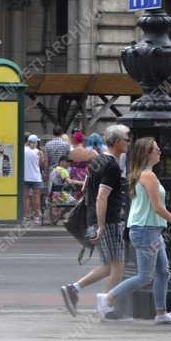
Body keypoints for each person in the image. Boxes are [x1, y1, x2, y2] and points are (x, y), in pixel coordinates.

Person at [97, 137, 171, 324]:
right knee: (144, 276)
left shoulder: (145, 174)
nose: (160, 152)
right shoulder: (147, 176)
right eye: (156, 150)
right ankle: (108, 298)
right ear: (147, 154)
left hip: (150, 229)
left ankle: (161, 313)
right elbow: (157, 207)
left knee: (163, 272)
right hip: (145, 230)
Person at [59, 124, 130, 317]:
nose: (128, 142)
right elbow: (101, 196)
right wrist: (101, 225)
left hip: (95, 217)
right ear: (117, 142)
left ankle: (74, 288)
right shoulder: (112, 165)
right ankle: (106, 306)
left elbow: (86, 190)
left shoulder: (97, 161)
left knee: (109, 265)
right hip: (110, 220)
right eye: (126, 138)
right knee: (118, 266)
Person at [23, 135, 45, 222]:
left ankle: (26, 216)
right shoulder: (39, 152)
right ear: (35, 142)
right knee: (36, 198)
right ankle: (36, 217)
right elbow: (41, 165)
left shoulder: (23, 150)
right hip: (36, 178)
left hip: (25, 177)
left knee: (26, 197)